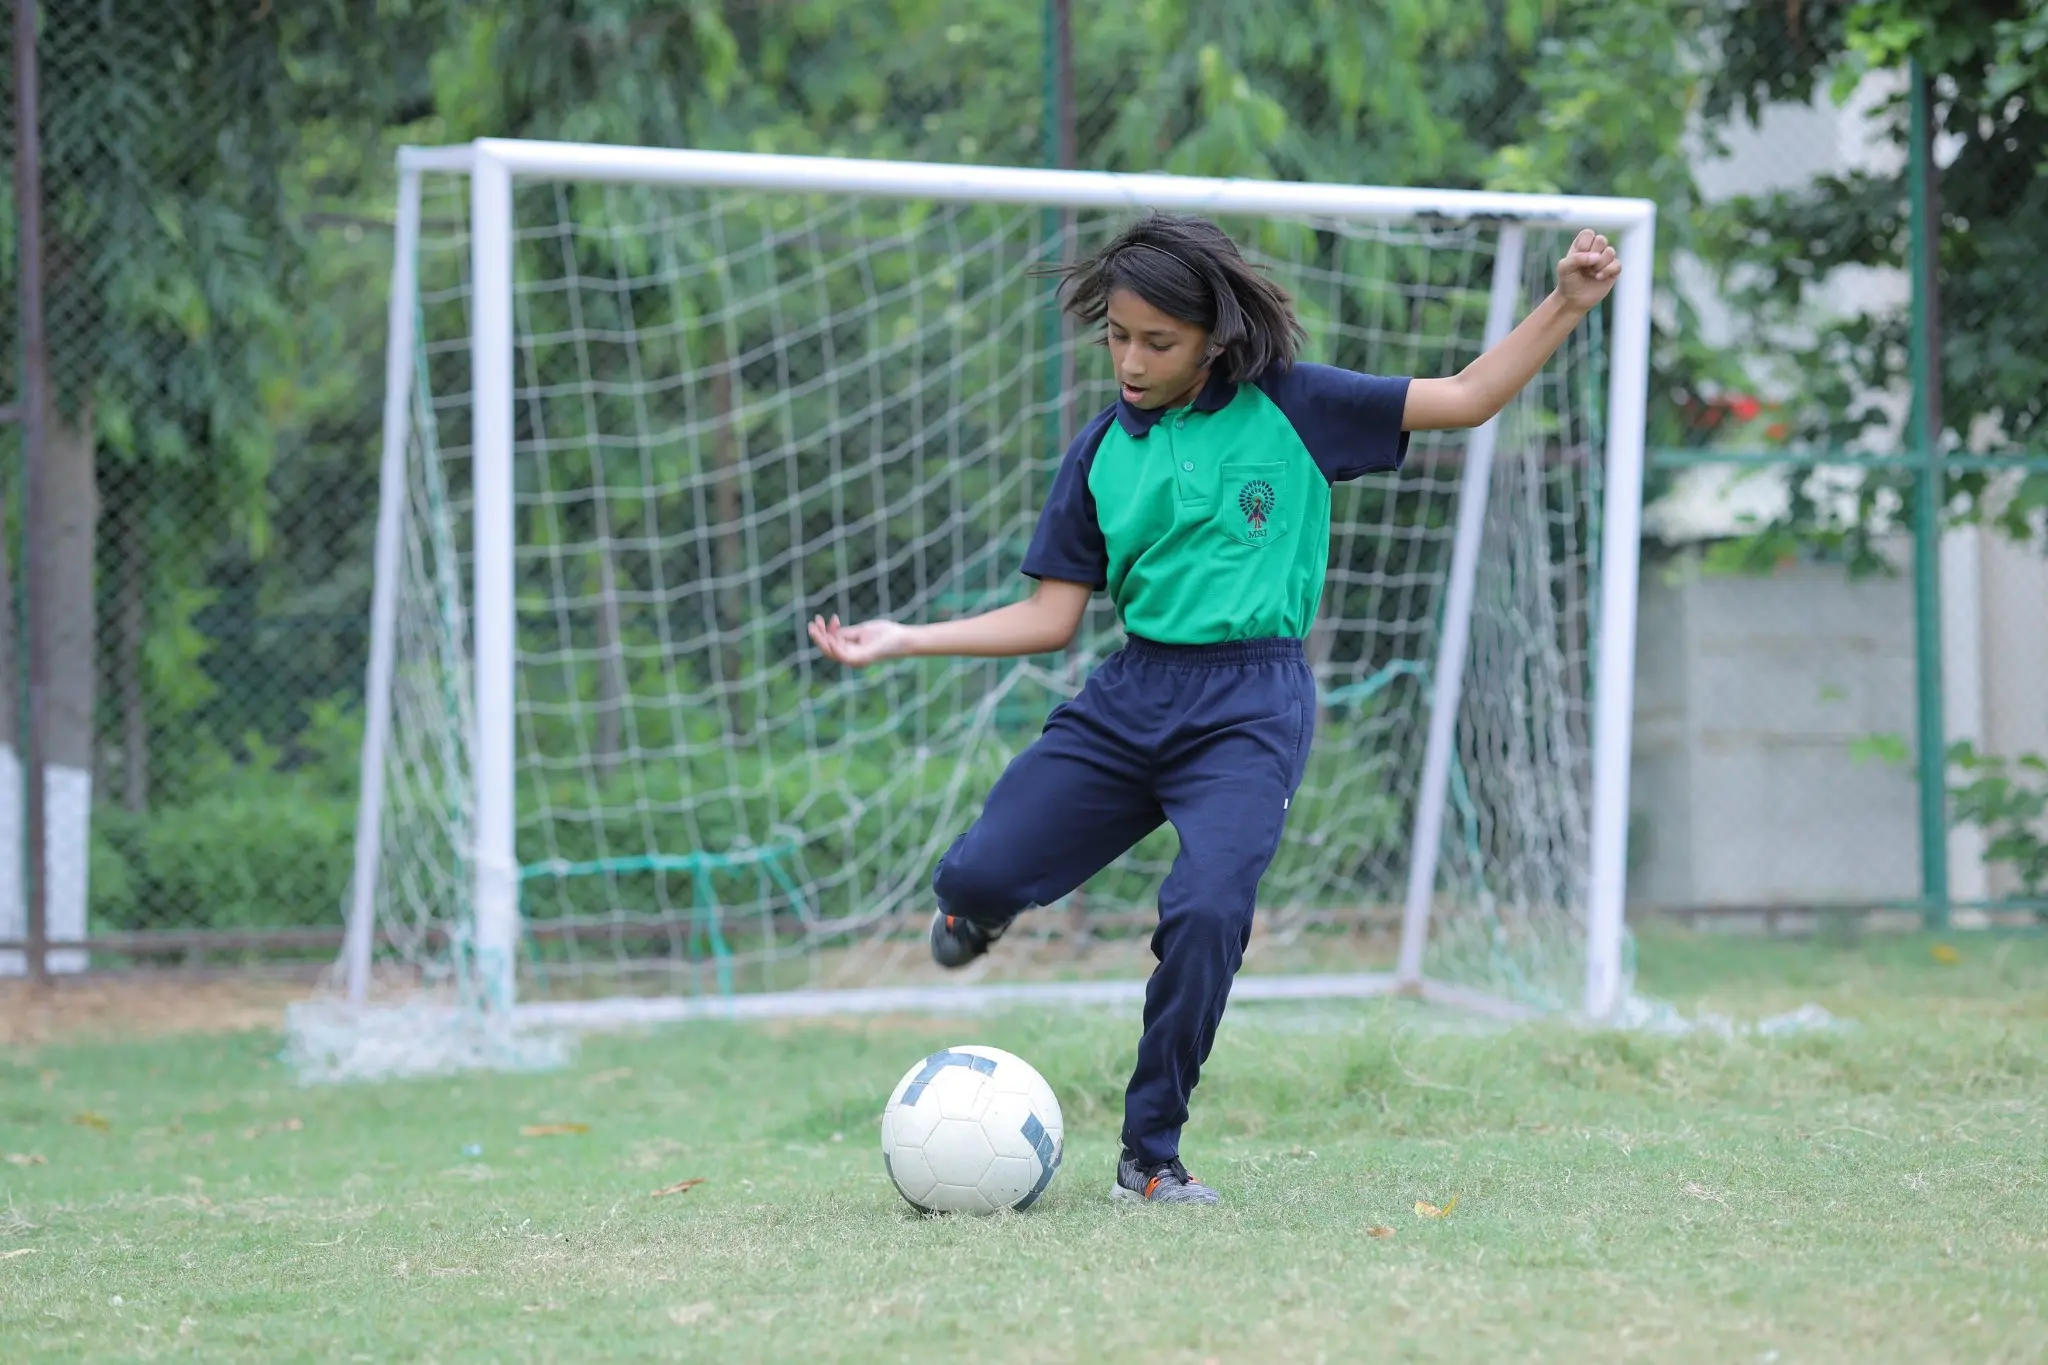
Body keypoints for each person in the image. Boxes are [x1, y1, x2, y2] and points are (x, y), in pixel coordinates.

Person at [810, 213, 1621, 1205]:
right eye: (1116, 336)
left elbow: (1465, 397)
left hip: (1249, 705)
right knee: (977, 871)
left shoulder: (1292, 407)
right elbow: (1047, 617)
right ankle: (973, 912)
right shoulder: (1100, 452)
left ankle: (1148, 1157)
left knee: (1206, 912)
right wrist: (906, 637)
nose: (1130, 360)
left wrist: (1565, 303)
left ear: (1214, 339)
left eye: (1157, 341)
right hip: (1131, 695)